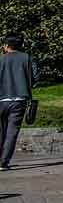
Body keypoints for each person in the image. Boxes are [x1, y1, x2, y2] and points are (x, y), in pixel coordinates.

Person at [0, 34, 42, 171]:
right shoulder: (27, 58)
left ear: (6, 45)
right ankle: (3, 162)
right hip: (20, 99)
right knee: (12, 131)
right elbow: (36, 76)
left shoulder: (1, 59)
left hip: (1, 99)